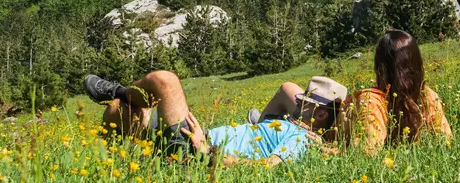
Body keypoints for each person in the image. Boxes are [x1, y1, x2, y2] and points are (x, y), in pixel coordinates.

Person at [83, 72, 346, 166]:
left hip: (196, 147)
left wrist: (207, 150)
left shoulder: (300, 139)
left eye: (305, 101)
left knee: (165, 81)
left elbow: (268, 166)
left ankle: (117, 90)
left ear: (321, 114)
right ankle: (116, 165)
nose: (298, 100)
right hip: (199, 137)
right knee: (117, 111)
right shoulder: (289, 122)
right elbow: (286, 88)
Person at [338, 30, 452, 155]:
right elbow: (445, 140)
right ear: (418, 64)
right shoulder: (426, 95)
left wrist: (323, 149)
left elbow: (366, 152)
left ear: (380, 67)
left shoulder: (371, 101)